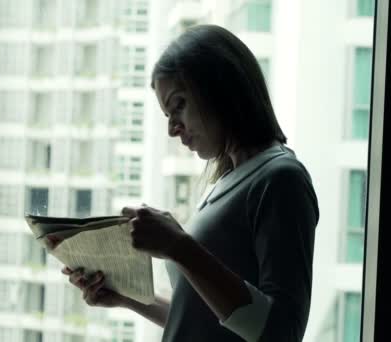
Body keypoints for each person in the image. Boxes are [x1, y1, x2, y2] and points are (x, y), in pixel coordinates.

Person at [62, 24, 319, 342]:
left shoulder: (281, 180)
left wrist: (179, 246)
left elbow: (280, 333)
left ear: (219, 89)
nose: (172, 128)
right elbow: (207, 320)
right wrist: (126, 297)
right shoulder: (228, 182)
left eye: (178, 105)